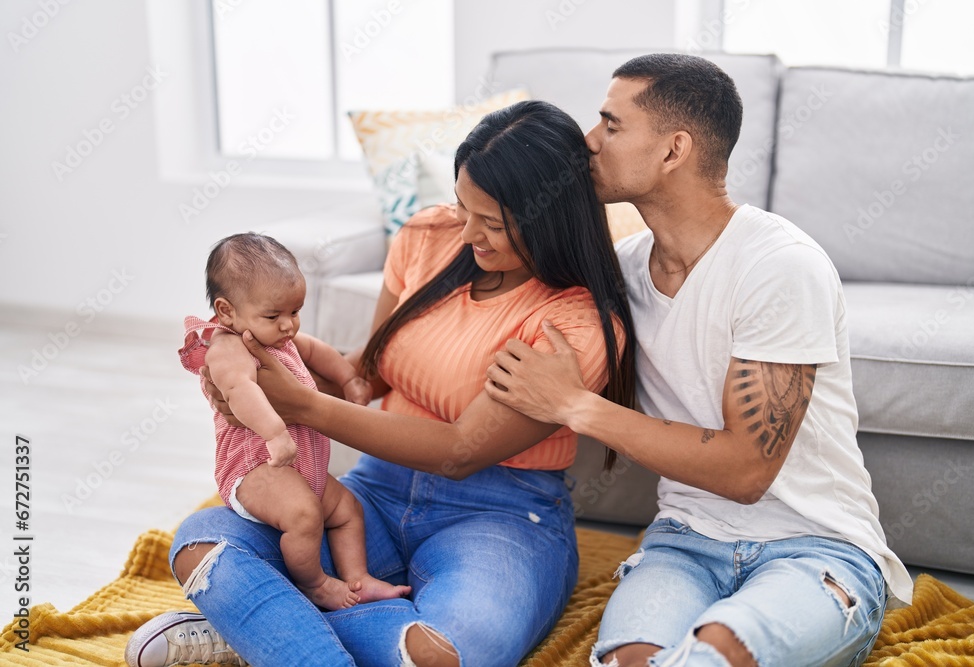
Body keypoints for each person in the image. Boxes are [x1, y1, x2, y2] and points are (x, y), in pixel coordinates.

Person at [125, 99, 636, 667]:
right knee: (204, 545)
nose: (468, 233)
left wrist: (305, 406)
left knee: (455, 653)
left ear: (551, 218)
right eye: (465, 207)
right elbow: (367, 368)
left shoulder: (578, 322)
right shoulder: (427, 236)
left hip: (501, 515)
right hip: (374, 493)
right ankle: (295, 635)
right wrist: (262, 373)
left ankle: (267, 629)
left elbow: (460, 452)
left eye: (491, 223)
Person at [484, 54, 912, 667]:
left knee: (709, 658)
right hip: (684, 545)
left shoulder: (779, 265)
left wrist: (577, 406)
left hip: (814, 548)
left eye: (611, 123)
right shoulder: (624, 271)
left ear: (673, 150)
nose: (589, 141)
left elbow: (745, 472)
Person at [178, 233, 409, 612]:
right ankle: (315, 584)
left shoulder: (277, 336)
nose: (288, 325)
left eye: (295, 312)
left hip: (301, 466)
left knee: (347, 509)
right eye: (274, 316)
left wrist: (350, 379)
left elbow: (319, 352)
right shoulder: (227, 347)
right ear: (226, 311)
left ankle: (358, 577)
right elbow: (240, 391)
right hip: (256, 466)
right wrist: (274, 432)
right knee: (305, 514)